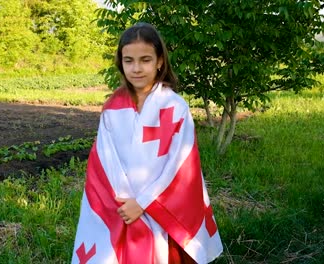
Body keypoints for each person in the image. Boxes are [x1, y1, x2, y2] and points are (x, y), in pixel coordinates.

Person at [71, 22, 223, 264]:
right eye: (129, 60)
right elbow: (104, 160)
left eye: (145, 59)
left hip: (159, 205)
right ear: (120, 62)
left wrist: (143, 203)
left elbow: (179, 166)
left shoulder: (174, 107)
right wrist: (126, 202)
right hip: (121, 204)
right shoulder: (112, 108)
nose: (137, 68)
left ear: (160, 61)